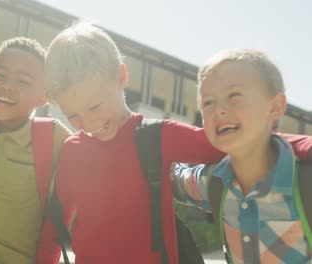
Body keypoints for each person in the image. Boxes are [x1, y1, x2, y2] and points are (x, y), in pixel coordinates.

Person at [37, 21, 312, 264]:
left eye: (94, 106)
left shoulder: (158, 137)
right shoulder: (73, 152)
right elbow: (54, 225)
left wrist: (301, 146)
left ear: (121, 77)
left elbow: (243, 138)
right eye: (73, 115)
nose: (88, 124)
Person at [172, 49, 312, 263]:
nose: (219, 110)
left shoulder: (305, 184)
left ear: (276, 107)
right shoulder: (212, 183)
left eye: (234, 96)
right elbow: (171, 177)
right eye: (208, 102)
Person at [0, 37, 71, 264]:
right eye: (0, 75)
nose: (7, 85)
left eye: (23, 81)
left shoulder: (54, 137)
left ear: (43, 96)